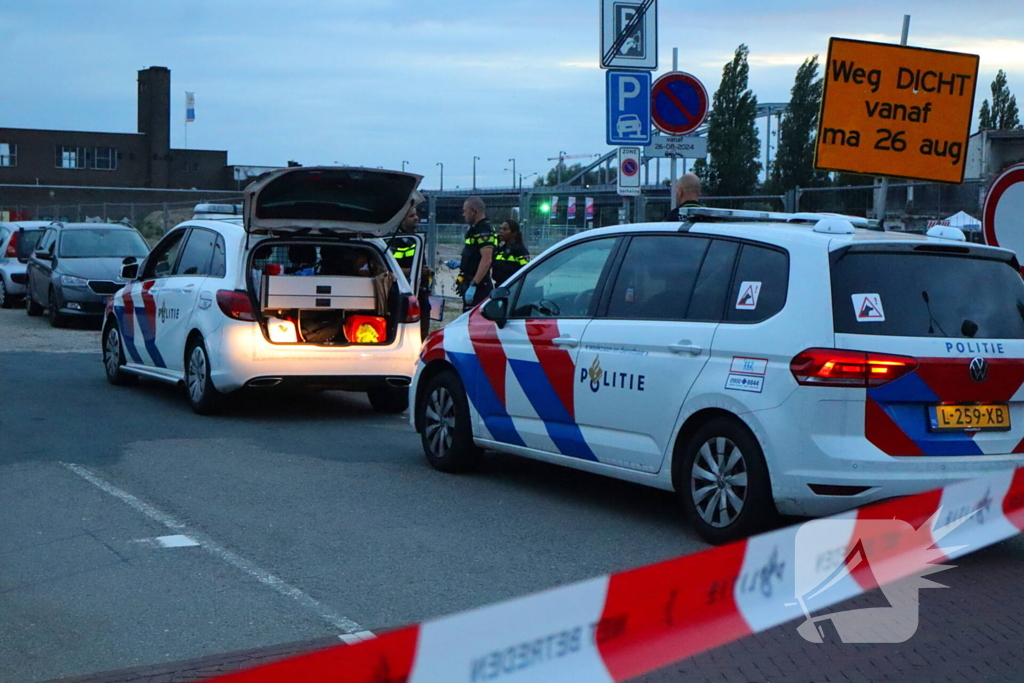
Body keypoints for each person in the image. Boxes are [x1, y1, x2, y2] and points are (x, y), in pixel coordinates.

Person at [389, 199, 432, 338]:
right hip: (401, 290)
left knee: (423, 327)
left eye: (416, 215)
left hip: (419, 288)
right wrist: (414, 271)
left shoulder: (416, 237)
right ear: (401, 220)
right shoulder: (393, 239)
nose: (416, 218)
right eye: (411, 216)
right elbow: (388, 269)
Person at [444, 196, 496, 310]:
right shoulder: (475, 230)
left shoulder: (483, 230)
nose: (463, 214)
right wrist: (461, 264)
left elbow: (486, 259)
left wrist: (474, 285)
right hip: (471, 281)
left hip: (479, 286)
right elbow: (475, 256)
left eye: (465, 211)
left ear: (473, 211)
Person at [491, 218, 529, 286]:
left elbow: (525, 270)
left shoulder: (520, 251)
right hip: (499, 285)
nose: (501, 231)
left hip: (513, 287)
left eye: (505, 229)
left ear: (514, 233)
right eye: (501, 229)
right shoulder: (500, 249)